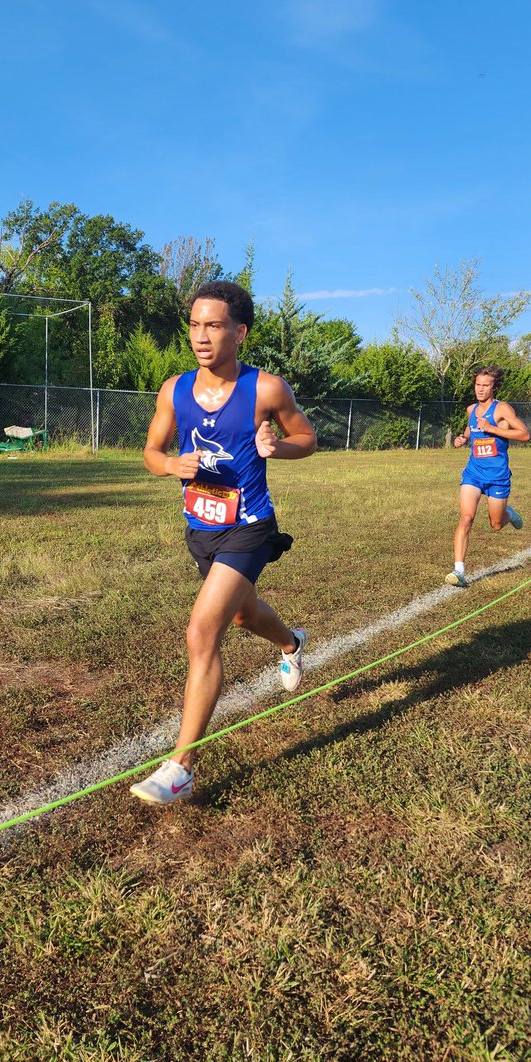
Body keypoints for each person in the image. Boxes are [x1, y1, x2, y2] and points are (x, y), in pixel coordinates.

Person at [131, 280, 317, 805]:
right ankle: (291, 643)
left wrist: (276, 447)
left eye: (213, 325)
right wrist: (169, 464)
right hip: (201, 528)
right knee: (241, 615)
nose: (201, 336)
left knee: (202, 631)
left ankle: (181, 767)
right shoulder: (174, 389)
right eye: (194, 324)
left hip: (250, 524)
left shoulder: (267, 389)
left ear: (240, 331)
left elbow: (308, 438)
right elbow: (151, 449)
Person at [446, 366, 530, 587]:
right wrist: (462, 439)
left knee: (496, 525)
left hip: (498, 477)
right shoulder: (471, 409)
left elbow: (524, 434)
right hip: (473, 473)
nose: (480, 389)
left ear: (494, 387)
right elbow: (470, 429)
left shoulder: (502, 409)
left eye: (485, 385)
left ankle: (509, 514)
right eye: (477, 385)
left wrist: (493, 429)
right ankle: (459, 571)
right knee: (466, 517)